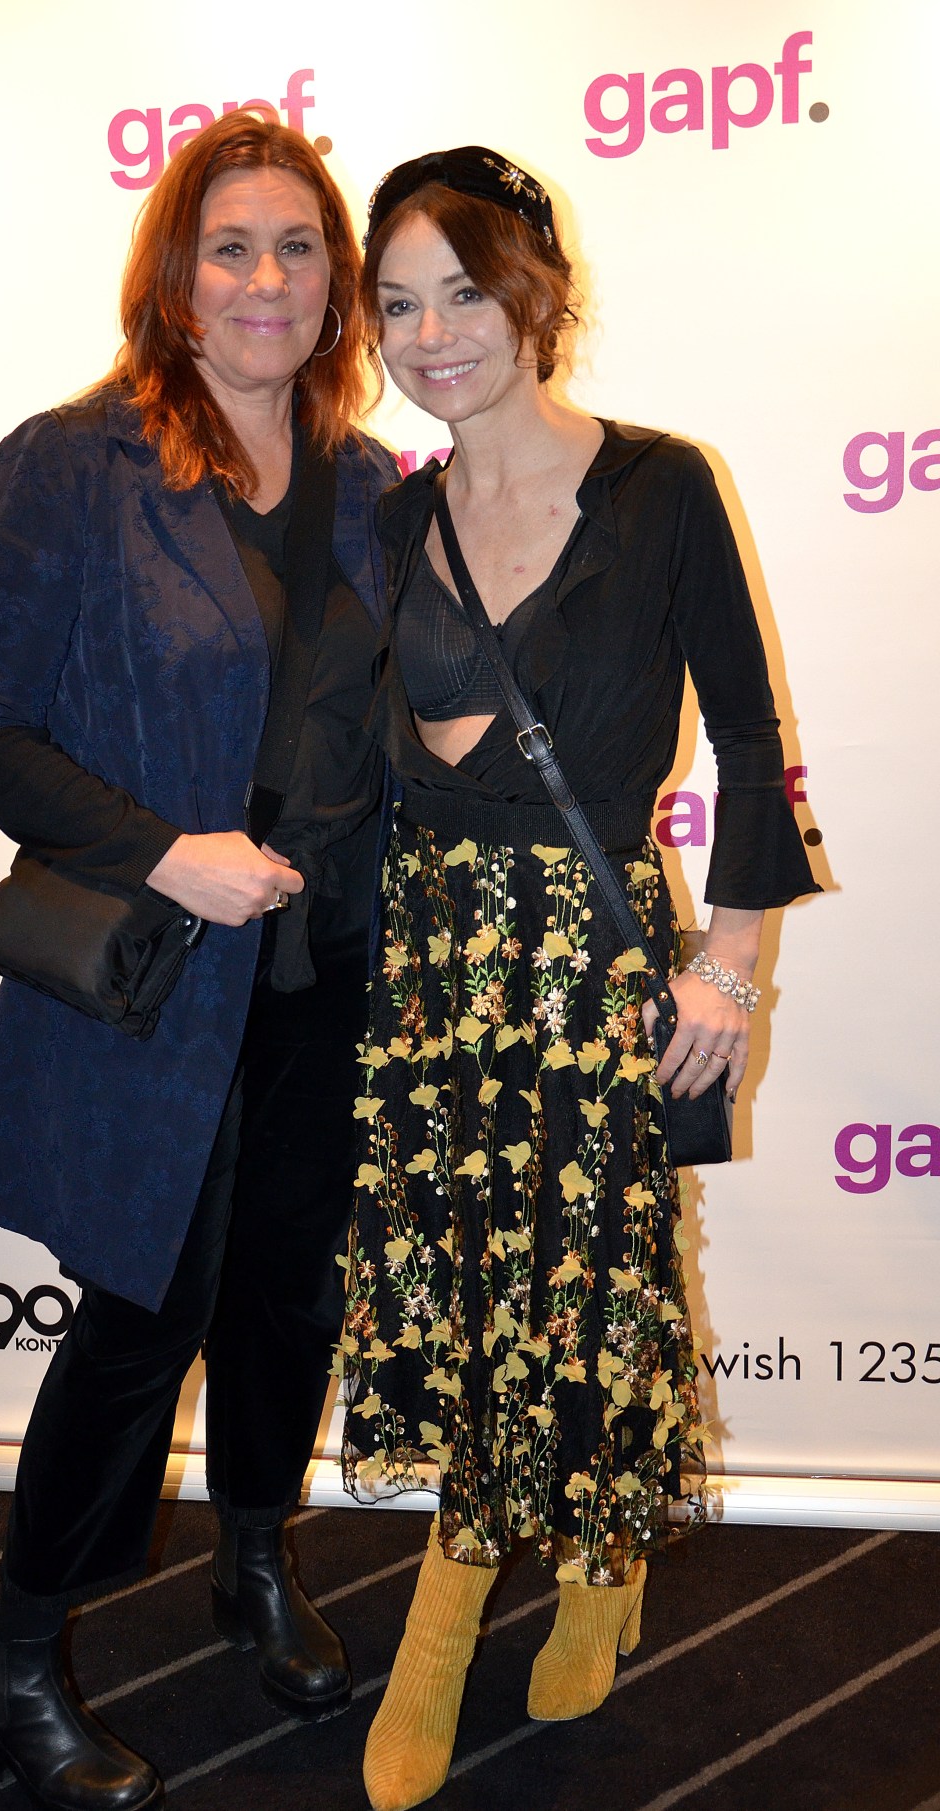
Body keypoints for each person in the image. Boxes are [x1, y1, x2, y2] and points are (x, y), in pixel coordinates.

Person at [339, 146, 820, 1811]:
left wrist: (729, 971)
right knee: (469, 1289)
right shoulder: (392, 517)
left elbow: (750, 739)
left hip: (591, 961)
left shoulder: (662, 486)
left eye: (465, 292)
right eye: (398, 304)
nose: (432, 334)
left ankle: (533, 1589)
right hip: (431, 968)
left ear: (538, 294)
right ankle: (517, 1577)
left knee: (592, 1285)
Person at [0, 112, 398, 1811]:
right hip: (162, 988)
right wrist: (164, 851)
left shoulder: (370, 481)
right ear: (176, 277)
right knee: (144, 1320)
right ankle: (15, 1654)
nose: (268, 279)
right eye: (232, 247)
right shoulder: (75, 464)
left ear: (335, 280)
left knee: (292, 1296)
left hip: (326, 977)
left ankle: (253, 1563)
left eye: (299, 247)